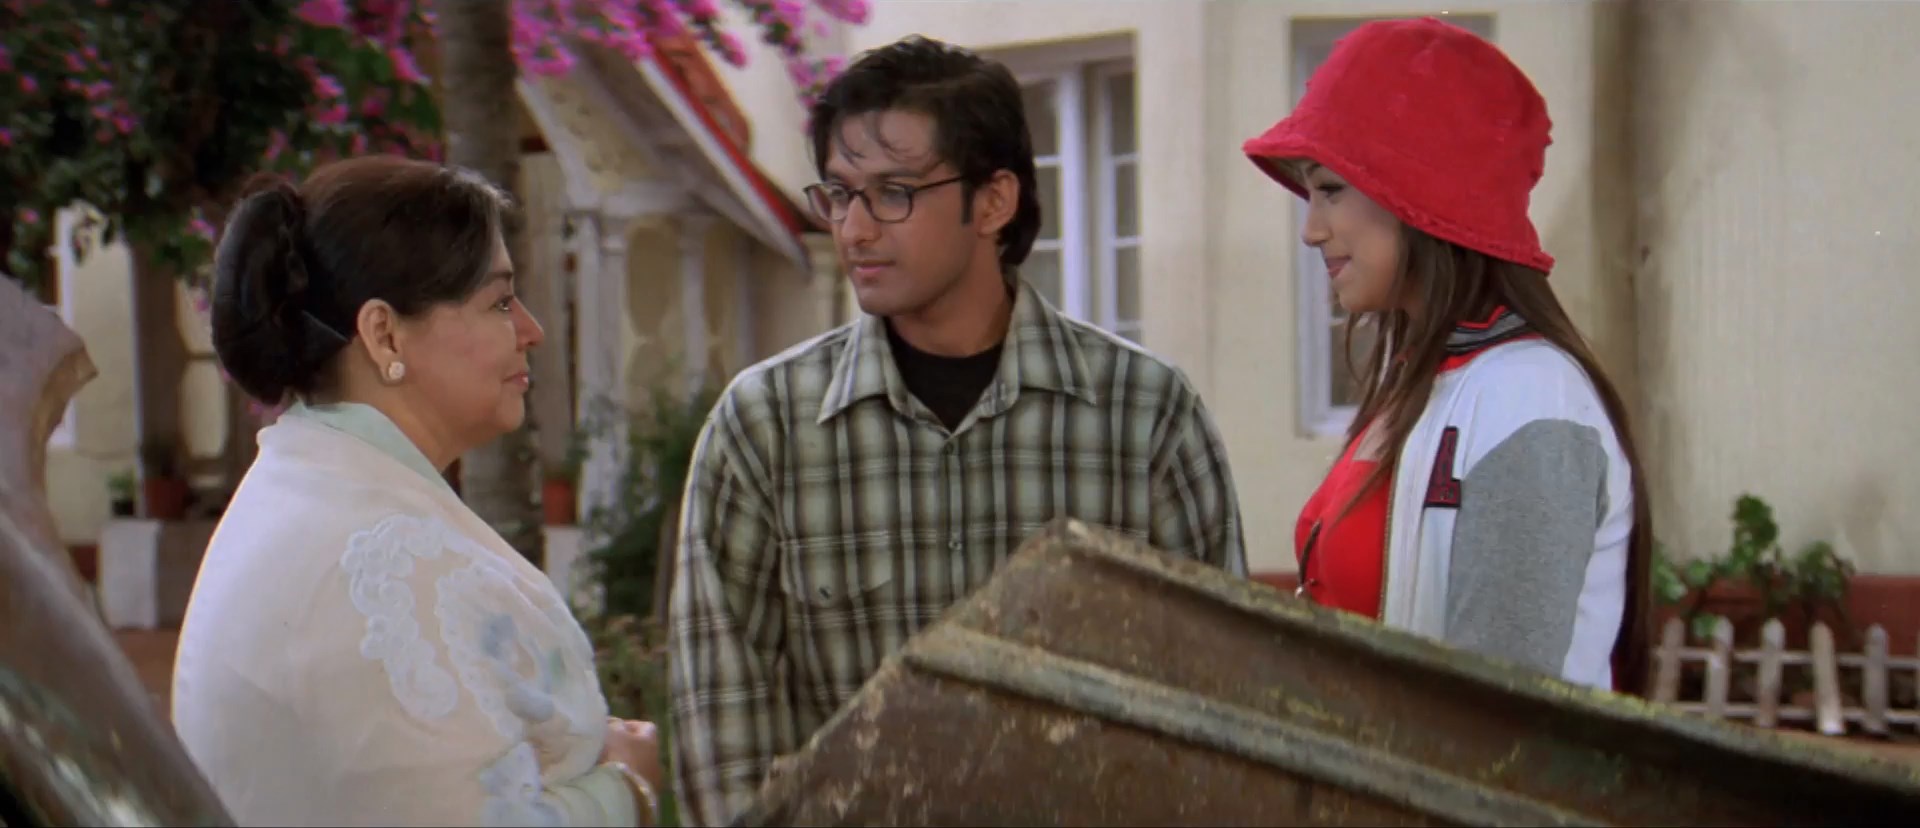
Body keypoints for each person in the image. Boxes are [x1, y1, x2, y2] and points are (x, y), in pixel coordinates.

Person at [668, 34, 1247, 826]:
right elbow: (722, 737)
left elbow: (1219, 709)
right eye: (839, 194)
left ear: (994, 201)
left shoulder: (1145, 416)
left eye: (893, 193)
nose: (854, 229)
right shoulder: (763, 427)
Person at [171, 155, 665, 826]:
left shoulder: (316, 490)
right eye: (499, 302)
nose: (532, 331)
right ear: (384, 334)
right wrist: (627, 787)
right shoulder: (384, 562)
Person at [1243, 17, 1651, 693]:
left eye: (1330, 189)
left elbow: (1493, 717)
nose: (1311, 230)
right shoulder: (1426, 381)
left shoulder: (1532, 403)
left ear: (1418, 191)